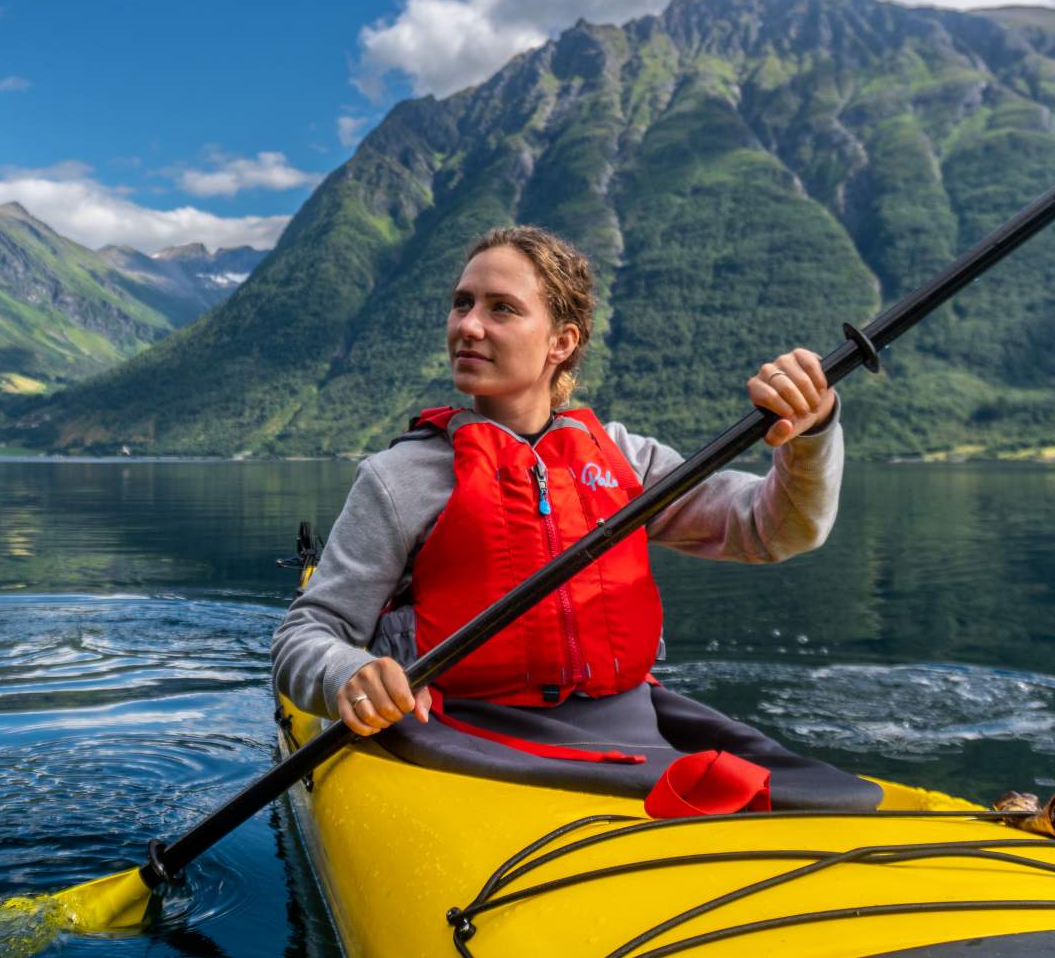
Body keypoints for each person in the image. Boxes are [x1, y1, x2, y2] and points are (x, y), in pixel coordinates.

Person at [271, 225, 872, 810]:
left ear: (561, 342)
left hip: (631, 735)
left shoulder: (626, 461)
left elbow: (775, 529)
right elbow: (304, 638)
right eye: (462, 304)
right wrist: (347, 672)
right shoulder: (399, 477)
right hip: (464, 740)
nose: (468, 326)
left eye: (501, 308)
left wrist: (811, 431)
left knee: (844, 799)